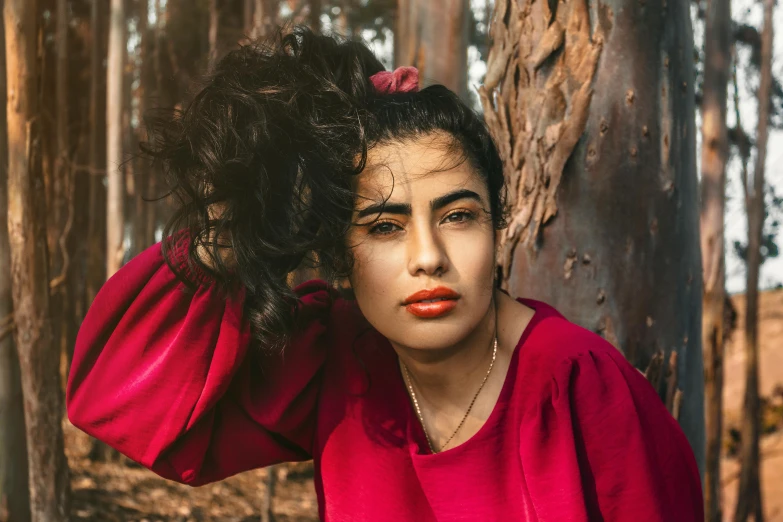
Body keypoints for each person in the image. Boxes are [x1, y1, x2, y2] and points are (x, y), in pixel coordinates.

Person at [67, 27, 703, 521]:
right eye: (384, 227)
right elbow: (118, 398)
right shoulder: (337, 362)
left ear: (498, 225)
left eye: (458, 216)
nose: (428, 257)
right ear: (339, 255)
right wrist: (231, 233)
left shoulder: (581, 386)